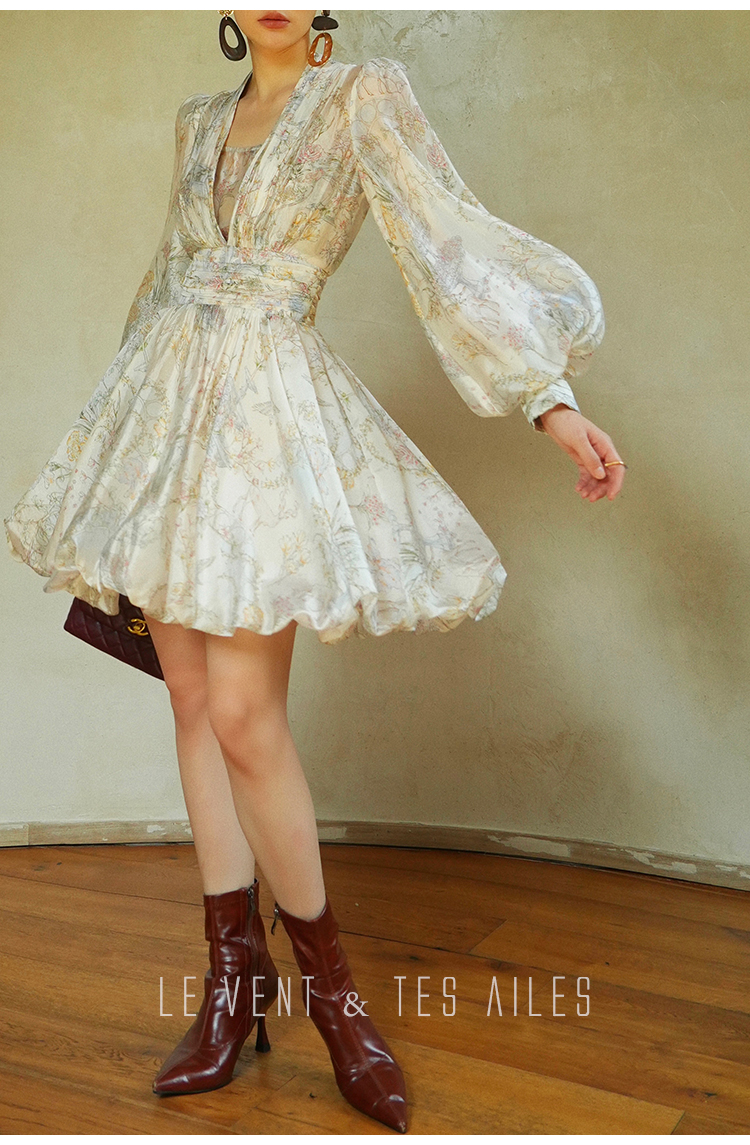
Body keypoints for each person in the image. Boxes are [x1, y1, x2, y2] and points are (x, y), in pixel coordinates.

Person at [3, 9, 627, 1134]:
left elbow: (444, 239)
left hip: (266, 420)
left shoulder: (362, 96)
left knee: (247, 715)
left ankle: (336, 1003)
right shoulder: (196, 120)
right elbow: (164, 280)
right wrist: (118, 466)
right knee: (192, 702)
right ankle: (231, 982)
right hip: (167, 419)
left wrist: (550, 399)